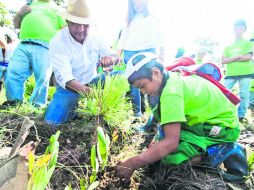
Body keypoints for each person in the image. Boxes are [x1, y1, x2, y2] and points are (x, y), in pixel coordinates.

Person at [116, 52, 247, 181]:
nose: (143, 92)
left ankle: (227, 150)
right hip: (207, 120)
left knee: (173, 159)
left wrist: (132, 163)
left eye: (142, 86)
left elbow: (170, 143)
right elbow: (160, 115)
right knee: (161, 143)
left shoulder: (171, 92)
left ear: (156, 72)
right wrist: (154, 136)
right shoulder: (173, 79)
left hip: (221, 128)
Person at [44, 0, 120, 126]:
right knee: (51, 123)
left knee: (120, 76)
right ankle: (74, 110)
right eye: (75, 24)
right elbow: (66, 80)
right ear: (67, 22)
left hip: (93, 82)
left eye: (86, 25)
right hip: (69, 89)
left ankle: (113, 114)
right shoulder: (58, 41)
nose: (81, 30)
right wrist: (93, 94)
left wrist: (111, 59)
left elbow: (115, 56)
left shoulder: (97, 38)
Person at [1, 0, 65, 108]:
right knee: (13, 72)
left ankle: (37, 106)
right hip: (23, 44)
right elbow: (16, 24)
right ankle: (14, 103)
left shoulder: (58, 9)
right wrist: (20, 13)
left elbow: (65, 30)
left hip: (45, 46)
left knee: (42, 78)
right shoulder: (30, 4)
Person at [116, 0, 165, 118]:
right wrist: (118, 54)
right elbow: (123, 37)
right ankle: (137, 114)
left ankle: (156, 115)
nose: (137, 4)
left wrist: (162, 53)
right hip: (130, 52)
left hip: (149, 51)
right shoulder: (129, 19)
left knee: (153, 81)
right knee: (134, 84)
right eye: (134, 2)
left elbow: (160, 35)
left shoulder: (154, 17)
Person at [222, 19, 254, 122]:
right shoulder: (228, 46)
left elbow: (248, 57)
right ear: (233, 29)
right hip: (231, 73)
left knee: (244, 94)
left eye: (241, 28)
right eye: (236, 28)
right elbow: (223, 61)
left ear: (244, 29)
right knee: (223, 92)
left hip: (245, 72)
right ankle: (225, 112)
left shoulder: (247, 43)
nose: (238, 30)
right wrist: (238, 56)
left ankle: (241, 116)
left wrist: (231, 59)